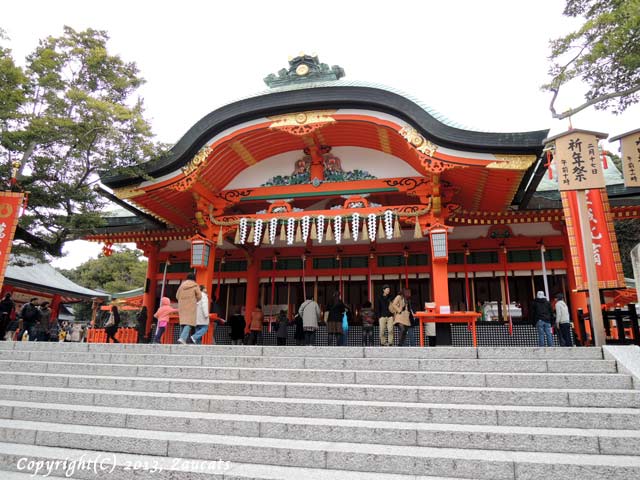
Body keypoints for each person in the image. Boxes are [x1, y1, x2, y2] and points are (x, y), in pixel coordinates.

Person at [176, 272, 202, 344]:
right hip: (191, 306)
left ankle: (181, 339)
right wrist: (194, 299)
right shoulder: (195, 286)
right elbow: (199, 296)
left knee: (183, 323)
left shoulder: (181, 286)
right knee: (189, 323)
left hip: (182, 306)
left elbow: (177, 296)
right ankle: (182, 338)